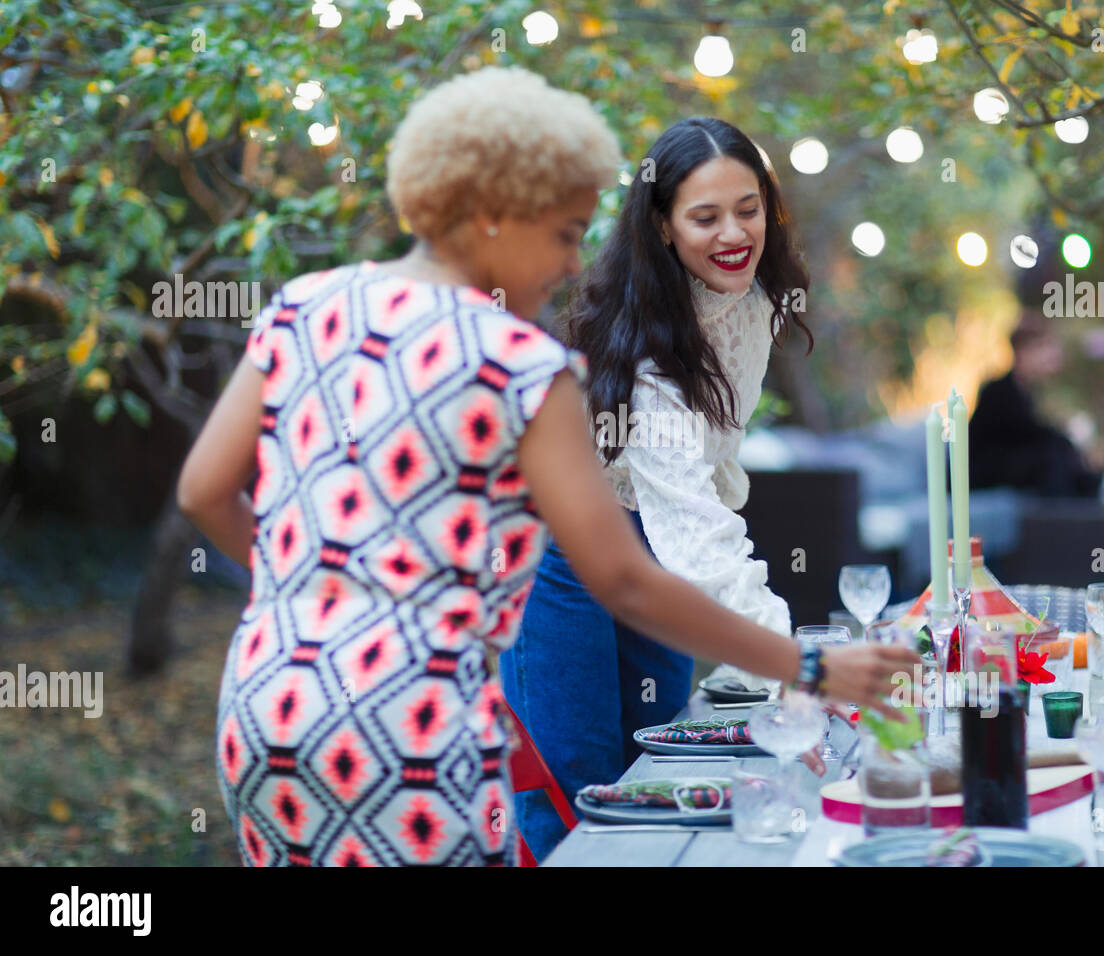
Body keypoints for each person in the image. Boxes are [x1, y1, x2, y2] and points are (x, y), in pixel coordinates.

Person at [176, 69, 916, 867]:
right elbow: (625, 581)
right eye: (564, 234)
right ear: (497, 216)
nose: (573, 266)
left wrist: (316, 598)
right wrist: (805, 663)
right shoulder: (521, 362)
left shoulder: (301, 305)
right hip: (410, 725)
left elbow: (204, 492)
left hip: (266, 707)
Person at [499, 117, 813, 860]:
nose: (734, 233)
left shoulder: (759, 302)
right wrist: (795, 660)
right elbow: (693, 527)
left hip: (655, 541)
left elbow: (710, 464)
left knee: (656, 775)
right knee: (573, 791)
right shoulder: (648, 352)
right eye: (704, 217)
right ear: (665, 228)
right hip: (567, 552)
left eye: (748, 208)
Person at [968, 311, 1101, 497]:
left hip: (1007, 468)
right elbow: (1025, 435)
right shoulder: (998, 390)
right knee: (1052, 455)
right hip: (981, 475)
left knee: (1057, 453)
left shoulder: (1026, 392)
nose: (1050, 357)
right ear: (1024, 352)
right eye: (1043, 348)